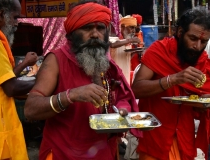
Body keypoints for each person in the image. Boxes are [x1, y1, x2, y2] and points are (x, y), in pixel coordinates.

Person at [24, 1, 141, 159]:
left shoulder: (103, 62)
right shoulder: (56, 60)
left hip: (103, 151)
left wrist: (121, 109)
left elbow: (121, 96)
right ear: (72, 33)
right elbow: (30, 109)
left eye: (100, 28)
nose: (95, 34)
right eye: (87, 28)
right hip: (65, 152)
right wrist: (70, 96)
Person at [132, 7, 210, 159]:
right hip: (156, 138)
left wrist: (203, 104)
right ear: (180, 32)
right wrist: (174, 79)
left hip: (185, 138)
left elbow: (197, 101)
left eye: (203, 41)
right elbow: (136, 89)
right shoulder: (159, 50)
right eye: (193, 38)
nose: (197, 46)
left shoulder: (202, 61)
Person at [0, 0, 38, 159]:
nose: (17, 24)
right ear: (2, 14)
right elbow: (10, 88)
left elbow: (1, 78)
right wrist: (43, 79)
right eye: (15, 17)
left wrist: (24, 64)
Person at [110, 15, 141, 84]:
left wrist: (136, 51)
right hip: (115, 78)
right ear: (123, 27)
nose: (133, 31)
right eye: (131, 27)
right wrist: (130, 40)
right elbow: (112, 45)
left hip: (126, 76)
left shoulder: (128, 43)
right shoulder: (114, 39)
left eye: (134, 28)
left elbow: (127, 58)